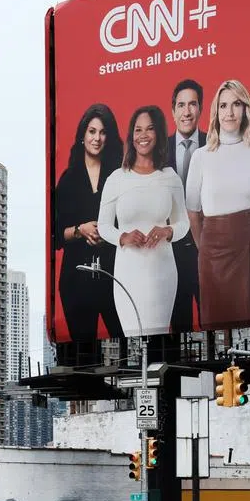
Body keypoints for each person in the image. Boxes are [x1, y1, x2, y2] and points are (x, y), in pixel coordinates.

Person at [184, 79, 250, 329]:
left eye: (236, 104)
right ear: (216, 111)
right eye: (223, 105)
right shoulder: (201, 156)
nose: (230, 112)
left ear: (246, 108)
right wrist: (205, 248)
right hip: (212, 248)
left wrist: (243, 231)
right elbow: (192, 212)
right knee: (217, 325)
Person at [97, 105, 188, 336]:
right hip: (128, 272)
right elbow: (104, 226)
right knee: (133, 336)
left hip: (163, 273)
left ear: (158, 134)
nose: (143, 135)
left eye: (149, 129)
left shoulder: (170, 177)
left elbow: (184, 223)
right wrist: (123, 236)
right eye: (138, 130)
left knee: (158, 340)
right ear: (131, 135)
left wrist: (167, 231)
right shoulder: (117, 178)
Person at [51, 103, 125, 341]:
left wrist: (109, 232)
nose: (97, 138)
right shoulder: (68, 179)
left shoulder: (119, 174)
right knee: (82, 360)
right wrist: (80, 230)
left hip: (116, 278)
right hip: (76, 281)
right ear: (83, 135)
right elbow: (55, 235)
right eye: (92, 131)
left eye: (103, 132)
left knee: (130, 354)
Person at [166, 79, 205, 333]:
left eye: (192, 104)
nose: (187, 111)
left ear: (200, 108)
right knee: (175, 322)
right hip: (171, 253)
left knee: (217, 319)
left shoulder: (216, 146)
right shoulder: (158, 151)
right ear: (173, 111)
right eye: (181, 105)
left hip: (208, 250)